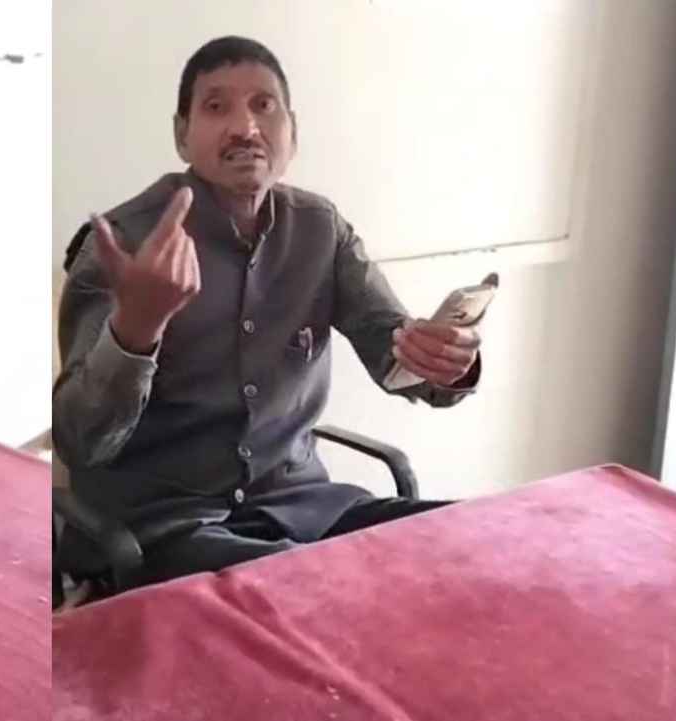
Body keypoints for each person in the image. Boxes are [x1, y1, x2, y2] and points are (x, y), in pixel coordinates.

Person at [53, 36, 484, 589]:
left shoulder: (321, 229)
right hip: (162, 529)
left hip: (304, 508)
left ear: (291, 132)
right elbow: (80, 443)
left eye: (264, 106)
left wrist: (444, 360)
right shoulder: (122, 245)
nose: (245, 127)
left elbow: (397, 355)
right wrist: (135, 332)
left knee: (468, 539)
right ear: (182, 135)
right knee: (316, 587)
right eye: (216, 107)